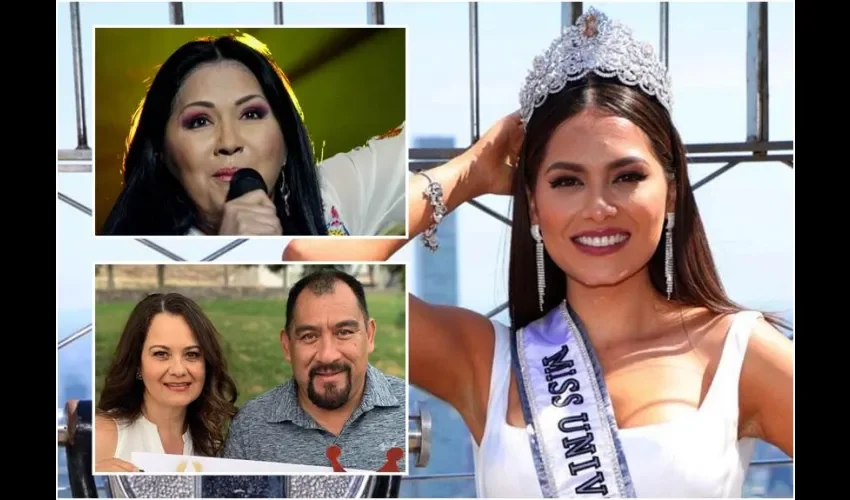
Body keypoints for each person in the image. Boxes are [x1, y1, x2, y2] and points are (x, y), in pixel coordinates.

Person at [282, 8, 793, 498]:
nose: (598, 207)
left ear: (673, 190)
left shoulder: (739, 352)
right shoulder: (485, 360)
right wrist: (471, 172)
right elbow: (307, 254)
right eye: (567, 181)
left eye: (627, 177)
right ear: (532, 202)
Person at [100, 33, 406, 237]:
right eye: (199, 122)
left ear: (287, 138)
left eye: (251, 114)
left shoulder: (330, 197)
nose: (229, 142)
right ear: (161, 154)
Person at [222, 268, 407, 472]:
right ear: (287, 346)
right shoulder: (250, 428)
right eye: (309, 336)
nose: (327, 355)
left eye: (344, 332)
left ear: (369, 336)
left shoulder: (414, 411)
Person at [94, 293, 238, 472]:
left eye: (191, 354)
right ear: (137, 363)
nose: (178, 370)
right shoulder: (100, 436)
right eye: (161, 354)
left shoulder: (214, 447)